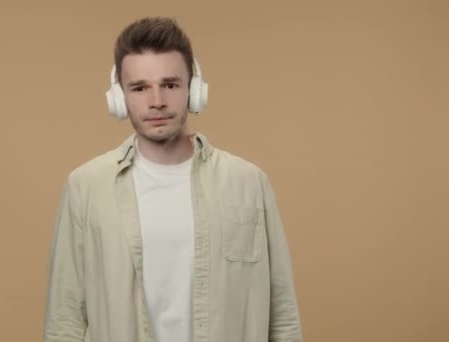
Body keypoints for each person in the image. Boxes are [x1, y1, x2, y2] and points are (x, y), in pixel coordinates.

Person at [43, 17, 302, 342]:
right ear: (119, 98)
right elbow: (64, 317)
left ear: (194, 90)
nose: (156, 101)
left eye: (170, 84)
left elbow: (283, 315)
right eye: (139, 88)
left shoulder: (249, 183)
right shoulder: (86, 187)